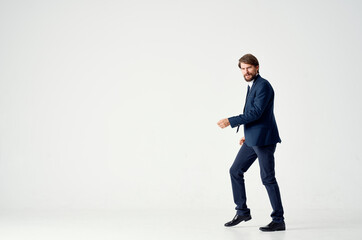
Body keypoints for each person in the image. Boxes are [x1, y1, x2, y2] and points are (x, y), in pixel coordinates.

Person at [217, 54, 285, 232]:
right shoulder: (253, 85)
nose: (246, 71)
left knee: (268, 178)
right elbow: (257, 115)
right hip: (253, 138)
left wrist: (231, 121)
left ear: (257, 67)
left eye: (249, 68)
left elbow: (256, 113)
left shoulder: (263, 85)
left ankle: (278, 220)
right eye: (243, 68)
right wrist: (248, 135)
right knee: (235, 171)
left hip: (264, 140)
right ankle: (242, 212)